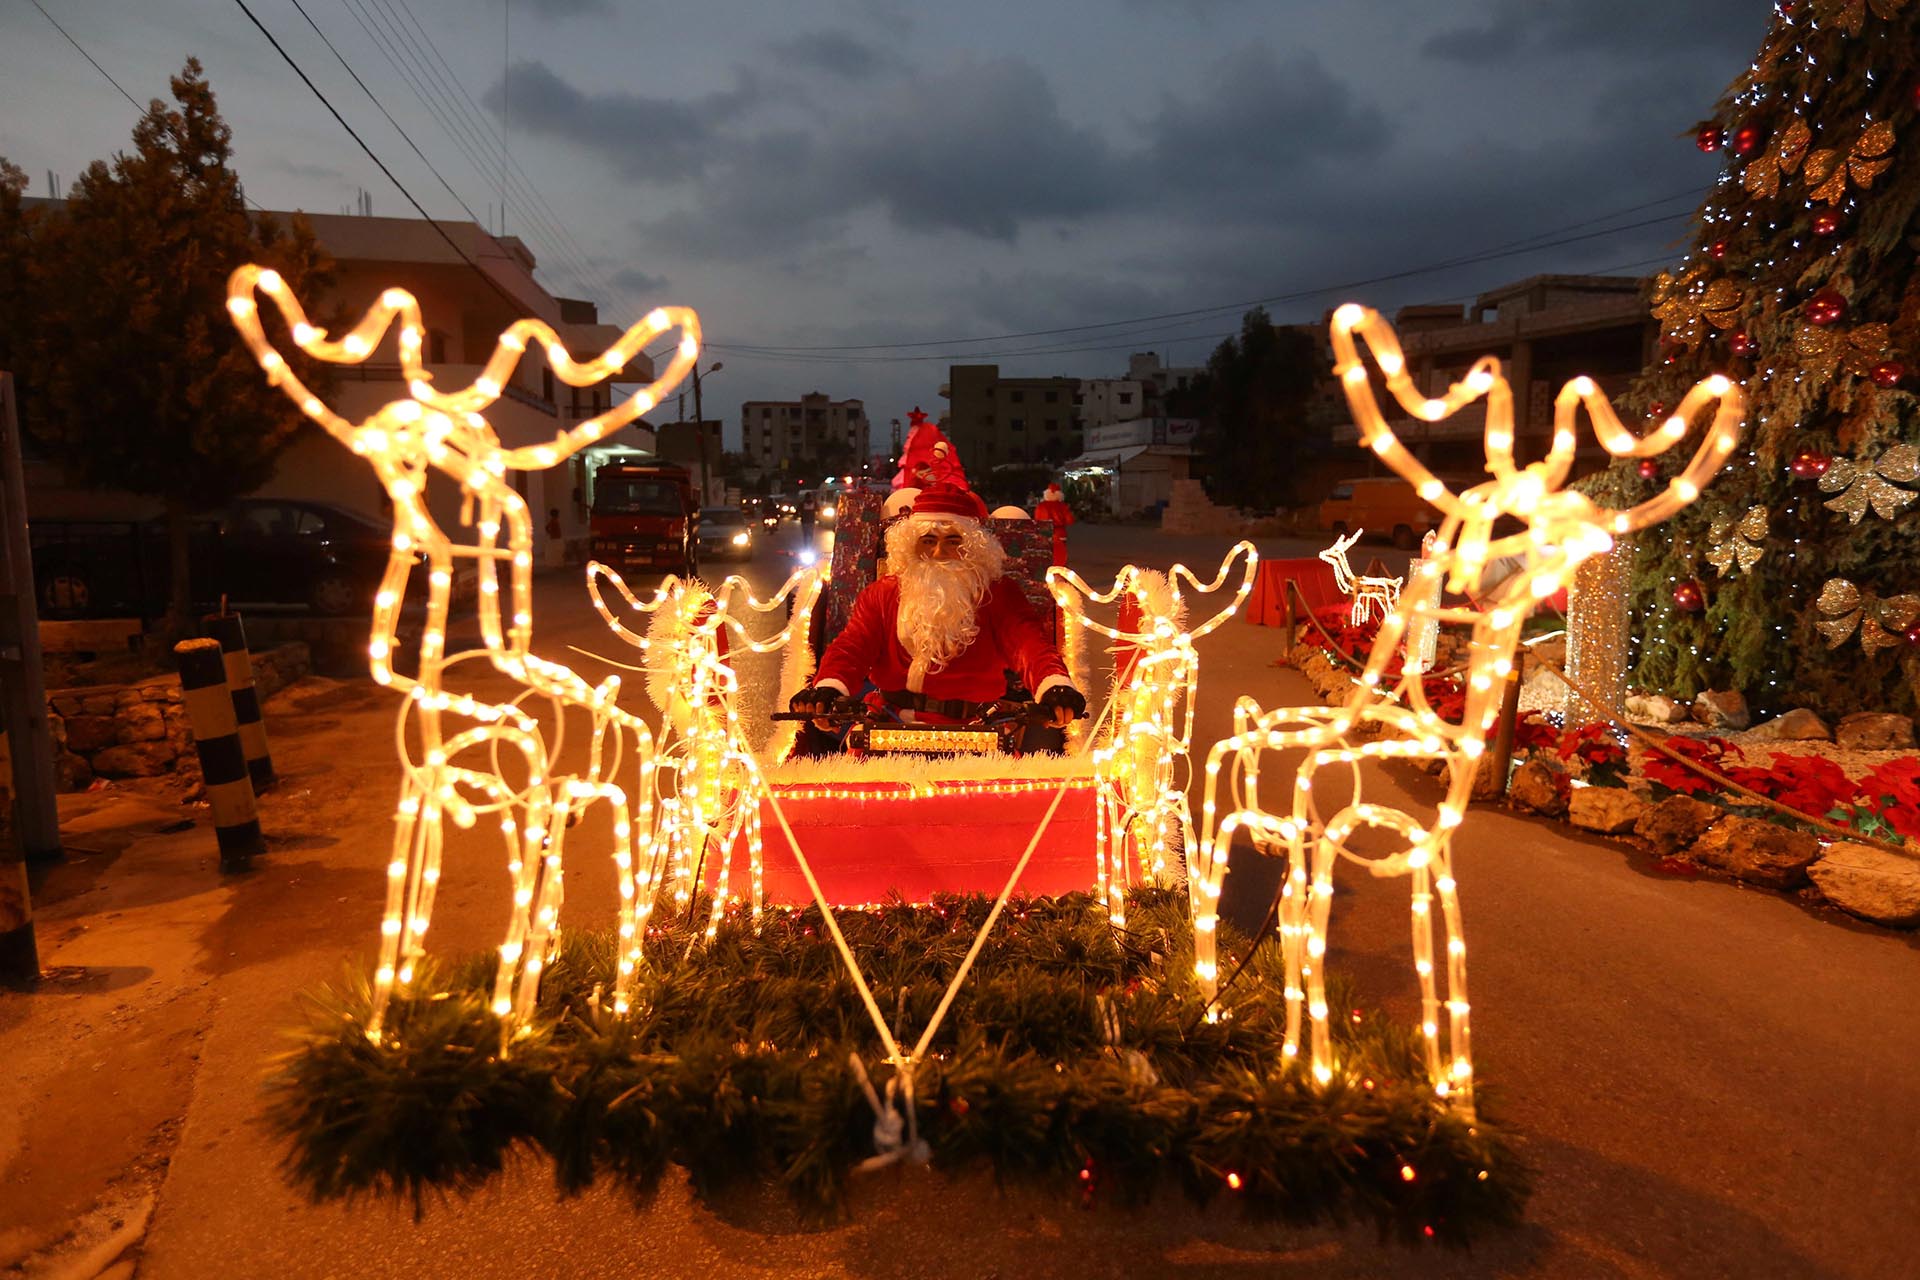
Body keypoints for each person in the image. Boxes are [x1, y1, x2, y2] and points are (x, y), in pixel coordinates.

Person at [790, 482, 1085, 754]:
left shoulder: (997, 594)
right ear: (911, 544)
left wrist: (1053, 685)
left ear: (972, 547)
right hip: (888, 724)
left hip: (978, 728)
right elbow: (853, 646)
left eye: (953, 541)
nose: (939, 552)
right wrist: (828, 687)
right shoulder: (882, 594)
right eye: (928, 541)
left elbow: (1029, 645)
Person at [1033, 482, 1075, 566]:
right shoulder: (1062, 506)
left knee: (1045, 555)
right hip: (1060, 534)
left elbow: (1036, 520)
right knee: (1060, 556)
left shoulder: (1041, 506)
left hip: (1044, 533)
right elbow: (1070, 520)